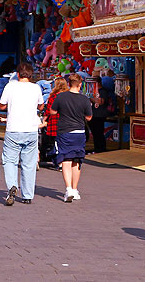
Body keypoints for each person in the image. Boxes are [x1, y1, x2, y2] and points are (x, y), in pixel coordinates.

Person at [0, 62, 44, 206]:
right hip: (31, 129)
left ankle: (12, 185)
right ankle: (27, 195)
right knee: (29, 163)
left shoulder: (10, 86)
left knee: (10, 160)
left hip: (13, 129)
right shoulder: (36, 88)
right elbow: (41, 105)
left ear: (18, 74)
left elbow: (1, 105)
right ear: (31, 75)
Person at [49, 74, 93, 203]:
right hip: (79, 132)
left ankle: (68, 188)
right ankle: (75, 189)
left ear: (68, 84)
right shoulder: (85, 99)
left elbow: (52, 111)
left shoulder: (61, 97)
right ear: (80, 85)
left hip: (64, 132)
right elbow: (89, 117)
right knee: (77, 160)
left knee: (66, 160)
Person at [40, 77, 68, 166]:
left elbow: (49, 110)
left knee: (55, 142)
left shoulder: (53, 96)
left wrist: (43, 120)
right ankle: (63, 160)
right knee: (63, 143)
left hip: (54, 122)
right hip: (66, 122)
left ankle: (58, 160)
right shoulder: (68, 95)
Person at [88, 76, 111, 153]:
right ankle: (97, 148)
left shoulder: (103, 91)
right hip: (93, 115)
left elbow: (101, 101)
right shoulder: (93, 91)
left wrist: (90, 98)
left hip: (99, 115)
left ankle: (101, 149)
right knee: (95, 133)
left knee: (99, 133)